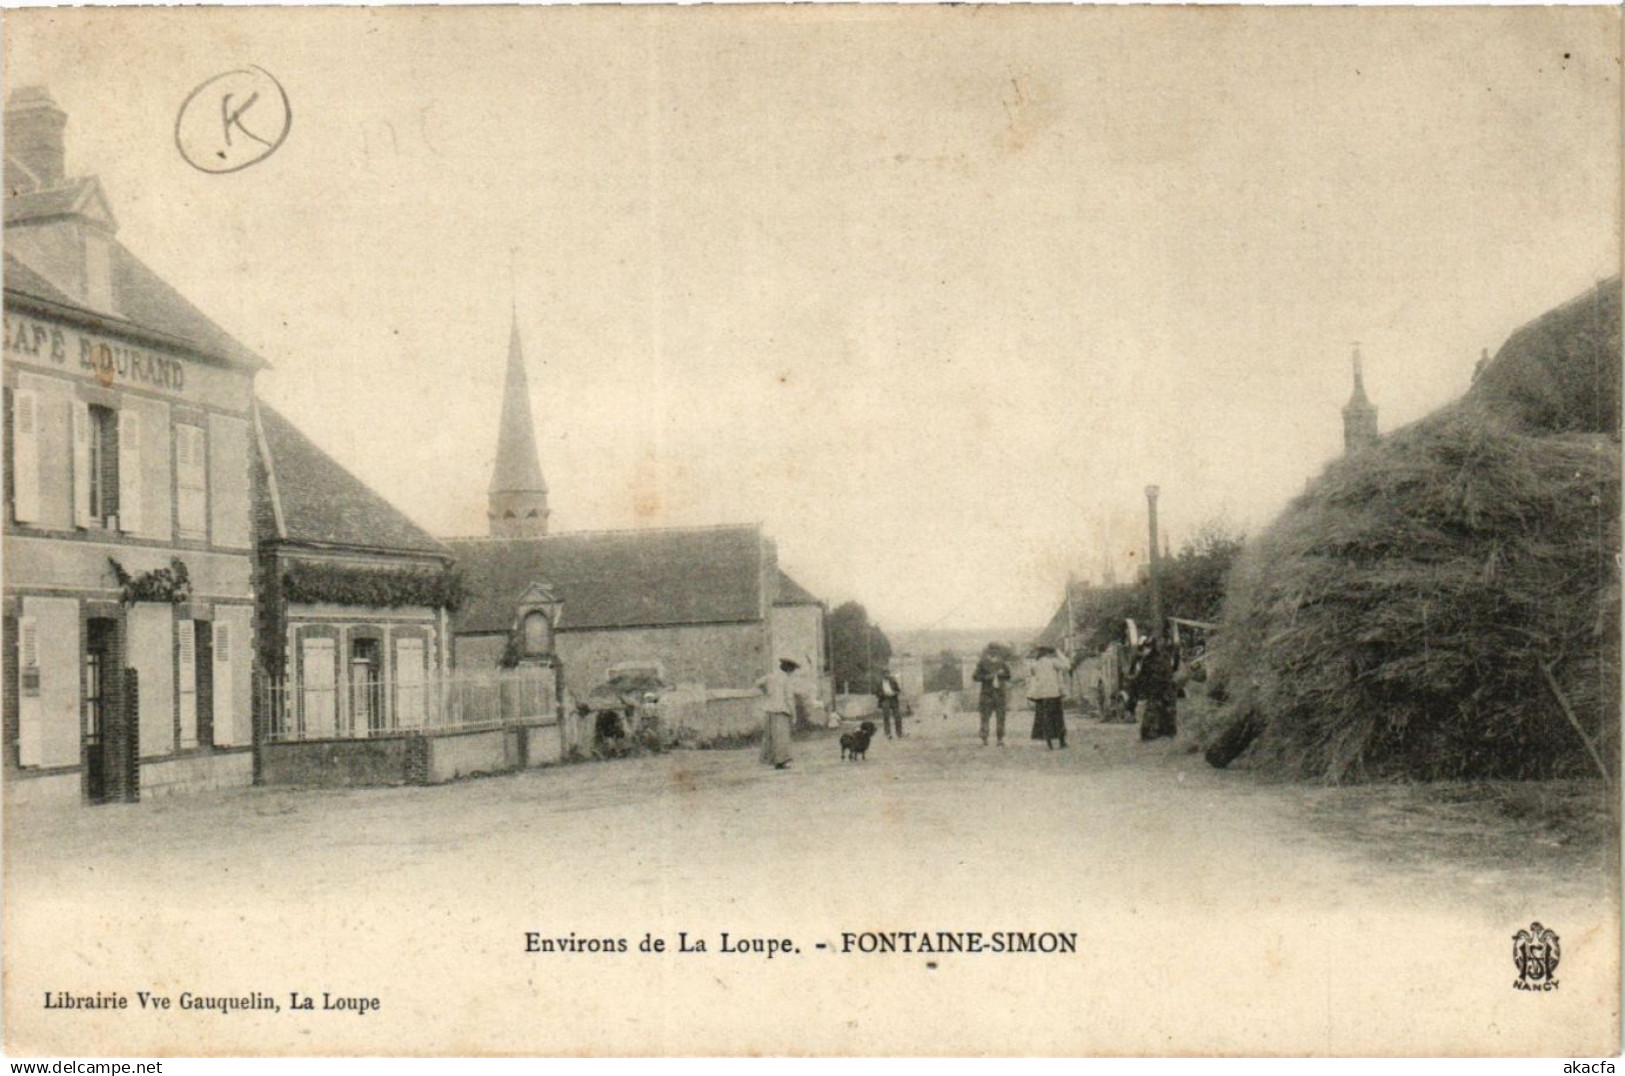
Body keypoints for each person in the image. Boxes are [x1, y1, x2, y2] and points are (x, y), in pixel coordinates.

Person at [1133, 635, 1180, 742]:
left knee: (1155, 712)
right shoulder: (1164, 656)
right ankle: (1166, 734)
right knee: (1166, 711)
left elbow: (1143, 677)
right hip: (1165, 689)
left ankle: (1151, 735)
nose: (1142, 651)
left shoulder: (1150, 661)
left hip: (1160, 690)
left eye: (1143, 648)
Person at [757, 657, 801, 769]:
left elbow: (758, 683)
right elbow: (789, 698)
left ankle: (771, 760)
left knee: (771, 736)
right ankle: (780, 761)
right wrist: (794, 715)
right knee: (782, 737)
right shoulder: (786, 679)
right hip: (782, 710)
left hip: (770, 709)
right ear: (789, 669)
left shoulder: (771, 676)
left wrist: (766, 692)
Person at [1027, 644, 1070, 749]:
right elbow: (1067, 666)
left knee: (1046, 718)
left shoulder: (1035, 664)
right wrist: (1059, 654)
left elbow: (1033, 676)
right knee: (1058, 718)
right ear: (1049, 653)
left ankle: (1048, 742)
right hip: (1053, 694)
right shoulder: (1052, 662)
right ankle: (1061, 742)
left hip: (1041, 696)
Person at [971, 645, 1013, 747]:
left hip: (1000, 693)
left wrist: (1001, 674)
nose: (994, 652)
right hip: (987, 694)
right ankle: (984, 739)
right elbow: (975, 677)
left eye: (996, 650)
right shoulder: (982, 663)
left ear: (998, 651)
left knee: (1001, 717)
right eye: (991, 650)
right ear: (988, 651)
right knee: (985, 716)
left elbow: (1009, 676)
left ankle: (1000, 739)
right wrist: (987, 677)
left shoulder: (1002, 663)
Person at [875, 668, 904, 739]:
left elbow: (898, 690)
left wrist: (894, 693)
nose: (887, 675)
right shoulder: (879, 683)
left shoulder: (893, 681)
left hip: (893, 700)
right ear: (882, 675)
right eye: (885, 674)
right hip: (885, 700)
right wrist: (883, 694)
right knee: (886, 717)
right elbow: (877, 693)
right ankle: (888, 734)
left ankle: (899, 733)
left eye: (888, 673)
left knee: (898, 717)